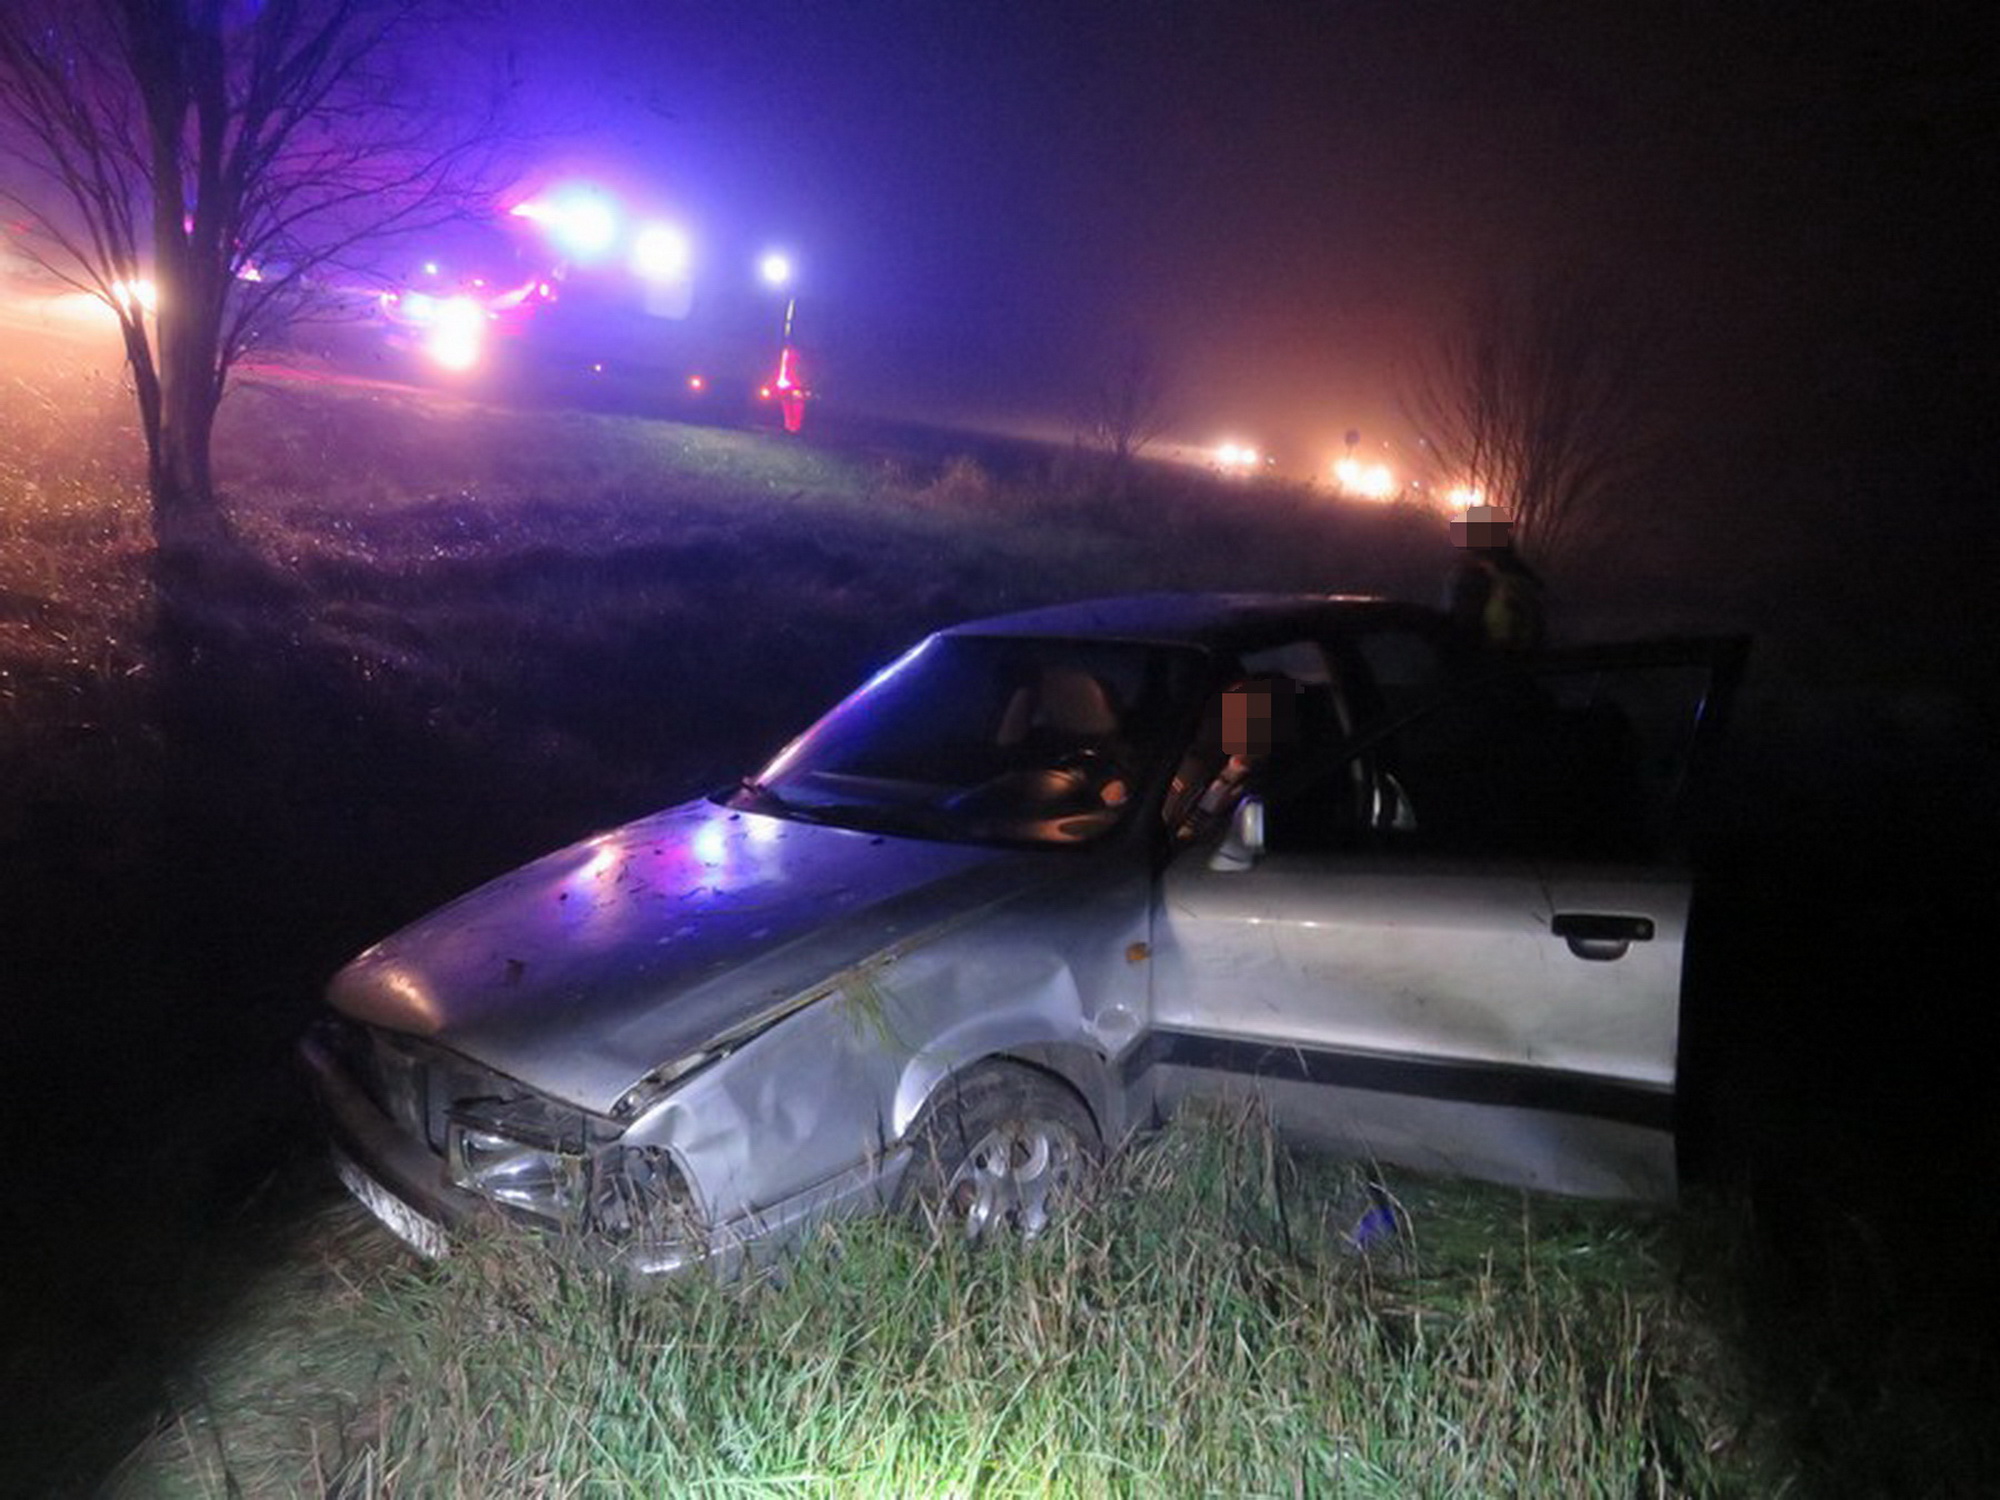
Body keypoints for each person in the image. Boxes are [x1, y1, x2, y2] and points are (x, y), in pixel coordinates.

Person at [1446, 504, 1546, 650]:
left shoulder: (1475, 574)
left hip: (1486, 654)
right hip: (1521, 655)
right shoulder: (1523, 576)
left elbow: (1463, 624)